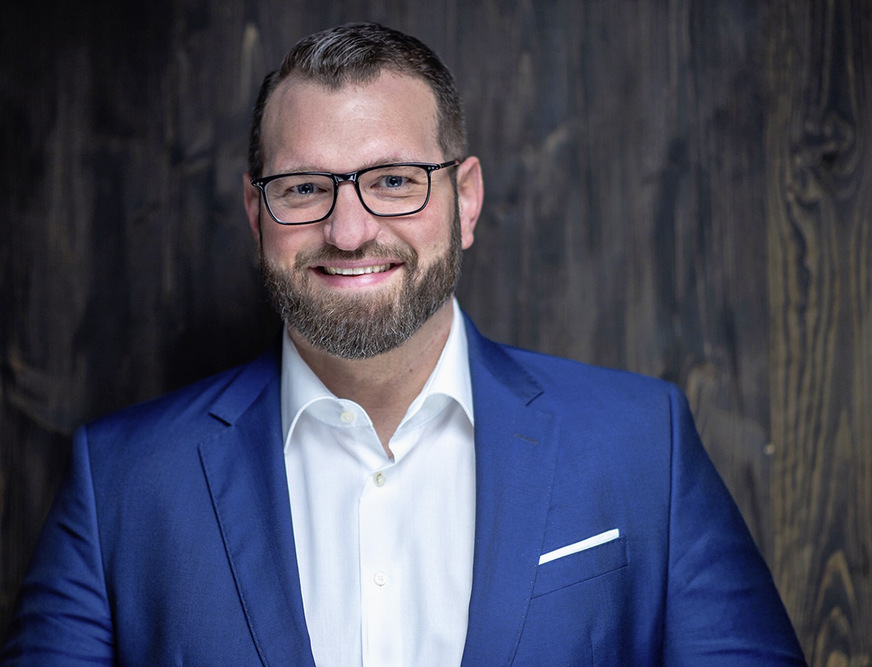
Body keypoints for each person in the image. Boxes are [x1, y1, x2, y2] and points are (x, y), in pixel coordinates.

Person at [2, 22, 805, 666]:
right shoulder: (121, 482)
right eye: (304, 188)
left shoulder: (644, 446)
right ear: (256, 215)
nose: (350, 231)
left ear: (466, 200)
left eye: (393, 180)